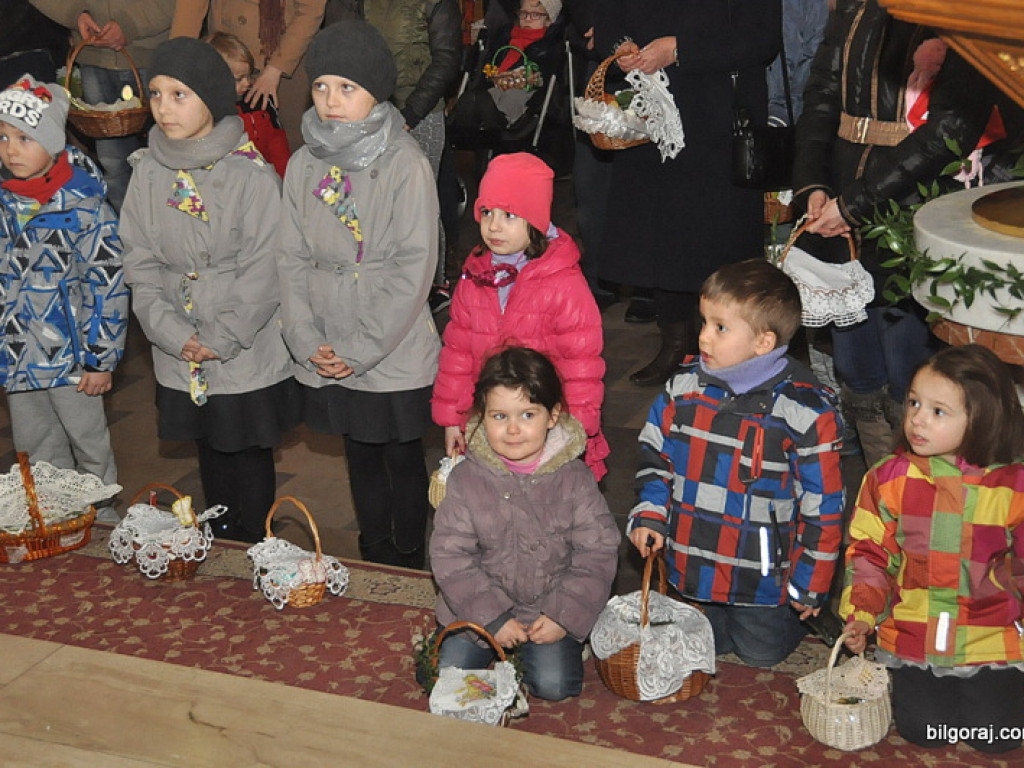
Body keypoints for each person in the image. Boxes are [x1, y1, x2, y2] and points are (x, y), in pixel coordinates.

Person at [791, 0, 1016, 464]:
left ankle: (916, 473)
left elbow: (952, 127)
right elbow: (821, 97)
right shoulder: (856, 8)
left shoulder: (962, 13)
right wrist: (811, 183)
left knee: (906, 362)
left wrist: (854, 204)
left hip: (916, 201)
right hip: (840, 196)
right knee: (854, 360)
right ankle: (882, 477)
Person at [121, 38, 300, 543]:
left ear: (213, 97)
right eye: (155, 94)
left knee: (246, 445)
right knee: (208, 443)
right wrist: (171, 331)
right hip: (179, 343)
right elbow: (139, 260)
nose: (163, 108)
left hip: (242, 340)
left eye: (180, 95)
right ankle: (221, 538)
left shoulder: (250, 174)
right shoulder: (147, 172)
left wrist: (223, 335)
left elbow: (265, 267)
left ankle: (259, 541)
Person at [277, 20, 440, 569]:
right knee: (359, 450)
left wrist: (363, 347)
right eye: (321, 86)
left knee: (399, 451)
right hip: (326, 335)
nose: (331, 100)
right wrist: (304, 337)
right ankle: (374, 554)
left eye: (347, 88)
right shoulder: (304, 163)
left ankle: (411, 555)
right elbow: (292, 255)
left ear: (376, 91)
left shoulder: (405, 164)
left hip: (388, 342)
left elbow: (414, 267)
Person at [628, 260, 845, 667]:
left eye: (720, 327)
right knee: (707, 646)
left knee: (759, 656)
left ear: (763, 342)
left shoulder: (805, 413)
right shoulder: (684, 388)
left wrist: (810, 585)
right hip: (693, 559)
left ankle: (800, 617)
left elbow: (824, 508)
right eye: (704, 321)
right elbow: (654, 454)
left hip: (761, 574)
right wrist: (652, 513)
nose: (704, 336)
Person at [841, 344, 1024, 754]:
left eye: (938, 411)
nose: (918, 419)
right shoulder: (888, 478)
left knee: (998, 739)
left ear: (982, 417)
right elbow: (870, 554)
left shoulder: (1014, 487)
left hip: (991, 638)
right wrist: (862, 613)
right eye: (913, 403)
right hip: (914, 637)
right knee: (922, 732)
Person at [589, 1, 781, 386]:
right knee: (663, 244)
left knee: (714, 245)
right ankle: (675, 343)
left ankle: (722, 346)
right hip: (649, 118)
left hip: (717, 122)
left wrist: (680, 48)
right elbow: (607, 14)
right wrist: (623, 47)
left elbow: (762, 39)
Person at [430, 346, 620, 700]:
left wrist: (563, 615)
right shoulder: (467, 479)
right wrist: (493, 619)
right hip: (476, 609)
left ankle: (565, 642)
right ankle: (478, 639)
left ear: (552, 416)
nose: (514, 429)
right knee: (448, 676)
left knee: (554, 687)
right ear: (481, 417)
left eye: (528, 414)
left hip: (547, 608)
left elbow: (598, 551)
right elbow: (450, 558)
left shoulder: (575, 478)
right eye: (499, 416)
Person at [431, 152, 608, 481]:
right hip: (491, 428)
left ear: (536, 220)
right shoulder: (475, 276)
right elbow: (458, 355)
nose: (494, 226)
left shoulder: (562, 283)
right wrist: (453, 419)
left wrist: (572, 433)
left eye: (509, 215)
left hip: (547, 431)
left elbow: (580, 365)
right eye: (487, 212)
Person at [0, 75, 128, 520]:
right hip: (18, 357)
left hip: (74, 362)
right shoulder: (4, 204)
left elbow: (108, 284)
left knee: (89, 444)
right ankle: (52, 519)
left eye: (23, 138)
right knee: (35, 447)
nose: (10, 148)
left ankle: (101, 515)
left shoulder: (85, 206)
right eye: (3, 137)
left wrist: (100, 358)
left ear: (52, 143)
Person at [29, 2, 175, 211]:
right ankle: (123, 235)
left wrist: (132, 23)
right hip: (93, 54)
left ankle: (171, 231)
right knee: (113, 164)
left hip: (157, 52)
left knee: (171, 156)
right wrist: (73, 12)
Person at [171, 0, 327, 150]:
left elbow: (310, 9)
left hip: (286, 54)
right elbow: (190, 6)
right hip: (226, 52)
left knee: (288, 145)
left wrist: (275, 68)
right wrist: (176, 64)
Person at [207, 32, 293, 177]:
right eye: (239, 79)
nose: (247, 83)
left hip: (266, 178)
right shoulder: (207, 113)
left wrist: (286, 179)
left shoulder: (261, 101)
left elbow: (277, 144)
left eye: (249, 75)